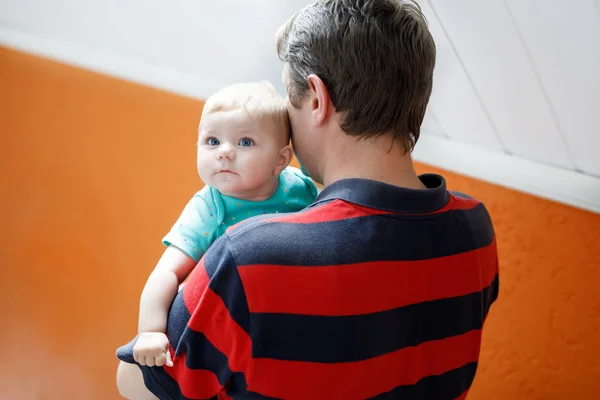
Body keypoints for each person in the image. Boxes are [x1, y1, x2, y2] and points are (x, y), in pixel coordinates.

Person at [116, 1, 499, 399]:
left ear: (316, 99)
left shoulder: (249, 255)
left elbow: (135, 385)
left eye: (288, 100)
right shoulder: (476, 227)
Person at [117, 81, 318, 370]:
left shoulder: (300, 187)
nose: (224, 152)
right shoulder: (209, 207)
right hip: (236, 320)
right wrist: (150, 330)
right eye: (212, 141)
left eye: (245, 142)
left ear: (280, 160)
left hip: (293, 310)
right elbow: (167, 272)